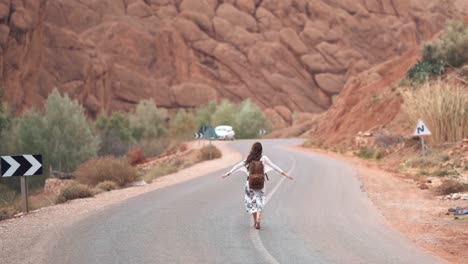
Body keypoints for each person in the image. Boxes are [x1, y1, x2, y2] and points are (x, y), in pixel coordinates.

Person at [221, 142, 293, 229]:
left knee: (251, 203)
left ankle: (255, 222)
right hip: (260, 184)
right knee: (260, 202)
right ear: (261, 150)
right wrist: (285, 174)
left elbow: (237, 166)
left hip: (249, 184)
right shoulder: (264, 158)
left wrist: (228, 173)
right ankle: (258, 220)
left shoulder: (249, 159)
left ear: (252, 149)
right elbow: (274, 166)